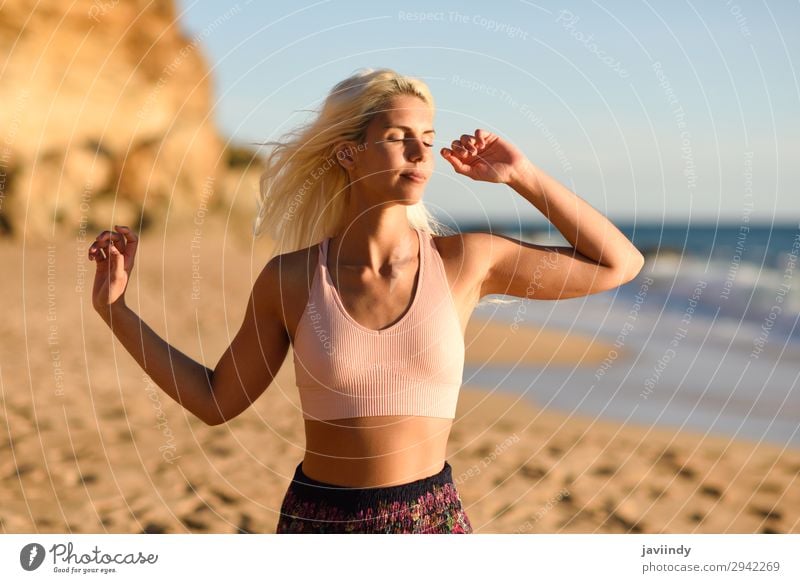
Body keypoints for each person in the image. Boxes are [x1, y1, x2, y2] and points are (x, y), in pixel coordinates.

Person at [88, 67, 645, 534]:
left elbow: (618, 263)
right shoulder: (291, 279)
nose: (420, 151)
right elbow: (216, 401)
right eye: (399, 135)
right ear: (348, 153)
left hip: (432, 521)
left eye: (428, 138)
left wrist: (521, 175)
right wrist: (115, 310)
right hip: (318, 522)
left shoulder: (467, 263)